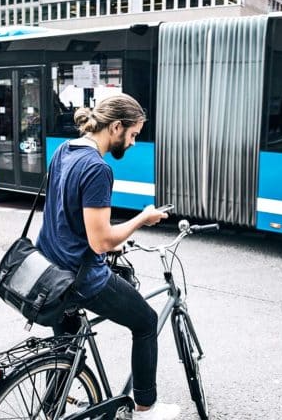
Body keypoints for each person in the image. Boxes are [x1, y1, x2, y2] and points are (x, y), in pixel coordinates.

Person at [36, 94, 180, 420]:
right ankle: (146, 408)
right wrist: (142, 218)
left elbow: (64, 216)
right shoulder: (97, 168)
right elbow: (100, 241)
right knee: (145, 322)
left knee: (66, 347)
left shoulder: (63, 151)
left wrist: (107, 242)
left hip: (50, 271)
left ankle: (52, 407)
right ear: (116, 126)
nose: (132, 143)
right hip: (80, 277)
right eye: (132, 135)